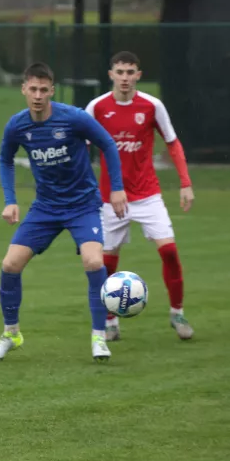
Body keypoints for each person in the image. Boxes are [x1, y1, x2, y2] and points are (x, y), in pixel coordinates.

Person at [0, 62, 127, 363]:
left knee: (93, 261)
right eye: (32, 89)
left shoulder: (73, 118)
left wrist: (116, 187)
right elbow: (5, 160)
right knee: (10, 264)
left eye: (43, 90)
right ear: (24, 89)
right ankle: (11, 333)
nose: (38, 95)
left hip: (83, 205)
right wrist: (10, 199)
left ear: (52, 90)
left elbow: (108, 145)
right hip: (46, 207)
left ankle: (99, 337)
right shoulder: (18, 125)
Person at [85, 51, 194, 341]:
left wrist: (185, 182)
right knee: (106, 262)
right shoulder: (96, 108)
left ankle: (177, 313)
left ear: (138, 75)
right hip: (109, 198)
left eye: (130, 72)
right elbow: (81, 149)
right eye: (119, 71)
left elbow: (172, 143)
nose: (124, 77)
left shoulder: (151, 106)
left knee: (169, 251)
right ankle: (109, 321)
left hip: (147, 194)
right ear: (111, 74)